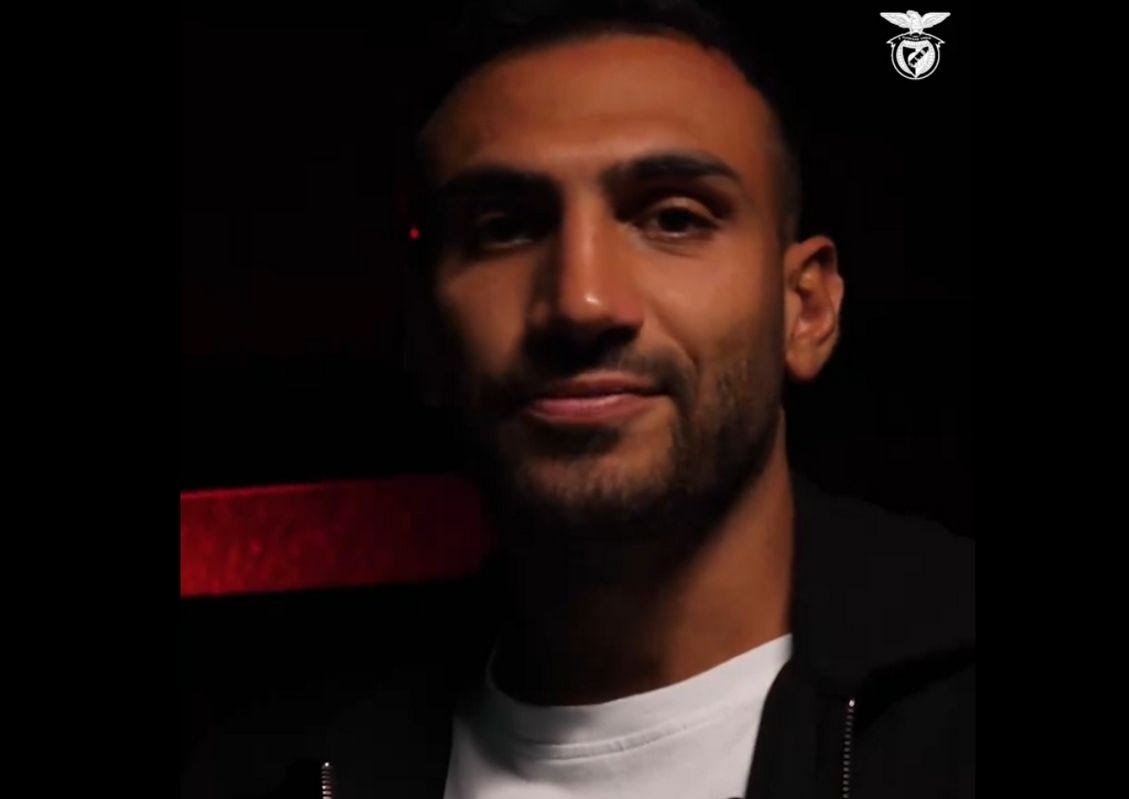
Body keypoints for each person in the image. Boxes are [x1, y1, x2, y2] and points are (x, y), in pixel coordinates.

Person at [181, 2, 974, 798]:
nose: (581, 301)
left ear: (806, 309)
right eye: (503, 228)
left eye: (673, 218)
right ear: (421, 333)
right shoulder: (258, 776)